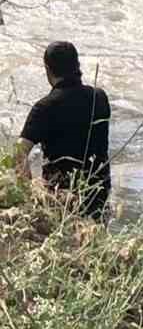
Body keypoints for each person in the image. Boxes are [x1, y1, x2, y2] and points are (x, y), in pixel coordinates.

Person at [14, 41, 111, 219]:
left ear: (48, 70)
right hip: (97, 194)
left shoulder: (44, 107)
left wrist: (28, 194)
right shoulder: (100, 97)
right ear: (77, 65)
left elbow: (19, 151)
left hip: (60, 199)